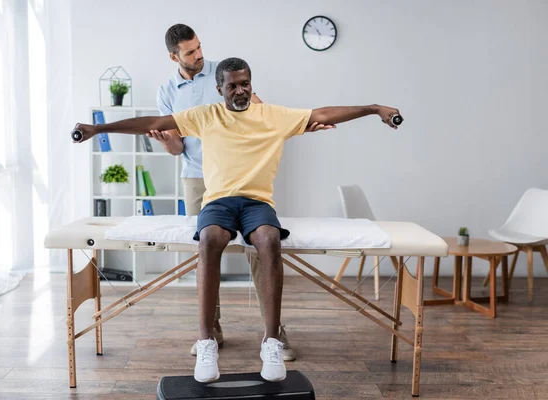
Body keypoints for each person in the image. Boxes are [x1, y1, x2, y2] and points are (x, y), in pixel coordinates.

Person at [72, 57, 401, 383]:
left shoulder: (273, 115)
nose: (240, 91)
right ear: (220, 89)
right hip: (218, 202)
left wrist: (373, 109)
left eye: (245, 84)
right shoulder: (205, 116)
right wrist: (99, 128)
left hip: (258, 203)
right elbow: (153, 121)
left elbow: (323, 113)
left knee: (270, 240)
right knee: (210, 238)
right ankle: (206, 342)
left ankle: (271, 341)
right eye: (233, 86)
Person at [149, 23, 333, 361]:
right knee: (206, 249)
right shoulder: (166, 91)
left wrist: (304, 124)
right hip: (198, 176)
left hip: (244, 175)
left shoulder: (223, 74)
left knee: (259, 247)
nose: (199, 55)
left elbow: (258, 111)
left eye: (199, 47)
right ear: (173, 57)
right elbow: (176, 148)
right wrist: (168, 140)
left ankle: (274, 332)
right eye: (190, 52)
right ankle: (211, 331)